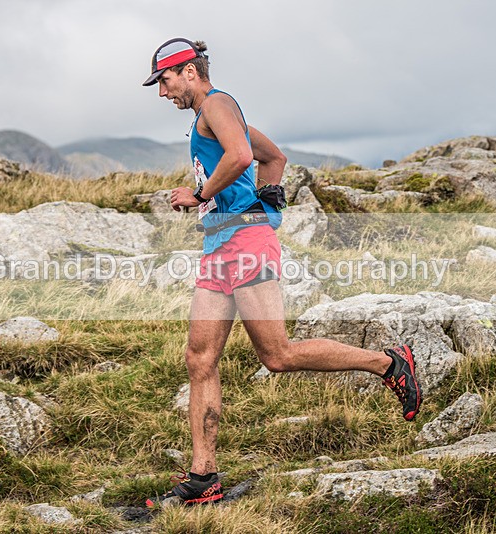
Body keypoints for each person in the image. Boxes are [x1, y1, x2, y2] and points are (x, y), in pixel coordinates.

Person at [142, 38, 422, 508]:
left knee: (277, 355)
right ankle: (202, 477)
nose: (162, 92)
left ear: (189, 70)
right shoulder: (210, 115)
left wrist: (199, 193)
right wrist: (269, 197)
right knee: (199, 359)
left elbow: (240, 156)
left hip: (246, 245)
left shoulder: (217, 103)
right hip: (219, 245)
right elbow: (272, 158)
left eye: (164, 80)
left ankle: (388, 362)